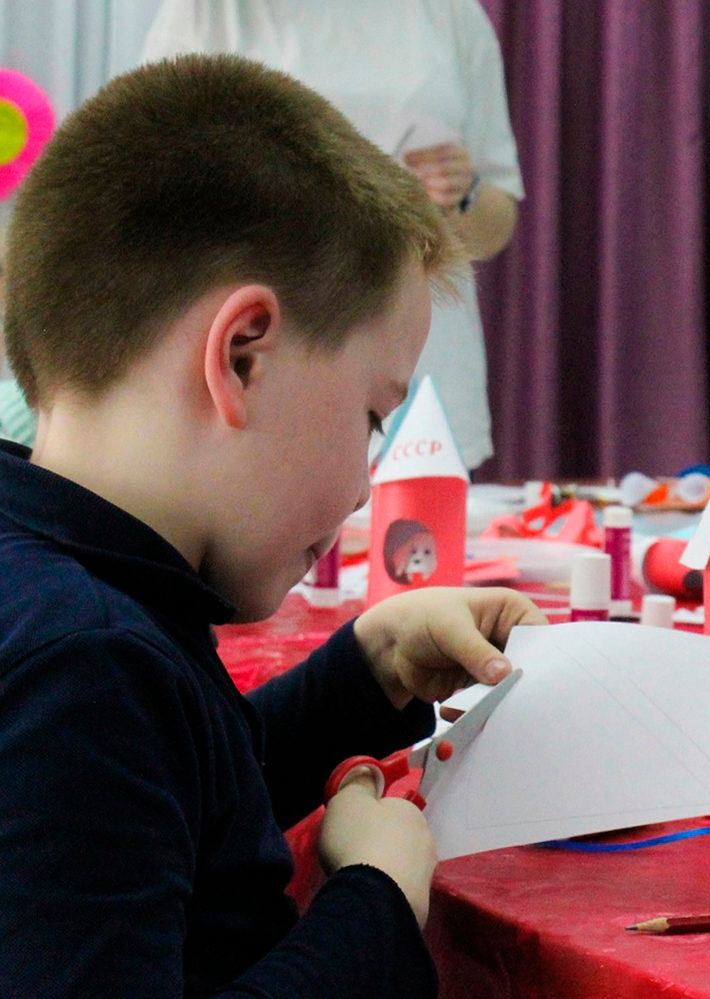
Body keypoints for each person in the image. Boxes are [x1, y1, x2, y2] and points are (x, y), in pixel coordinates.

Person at [0, 54, 544, 996]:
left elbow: (173, 791)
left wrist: (367, 669)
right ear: (243, 356)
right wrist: (374, 898)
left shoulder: (71, 596)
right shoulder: (84, 667)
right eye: (371, 417)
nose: (366, 488)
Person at [142, 0, 524, 471]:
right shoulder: (206, 11)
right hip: (265, 360)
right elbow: (155, 192)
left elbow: (497, 223)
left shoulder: (450, 13)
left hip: (423, 366)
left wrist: (462, 193)